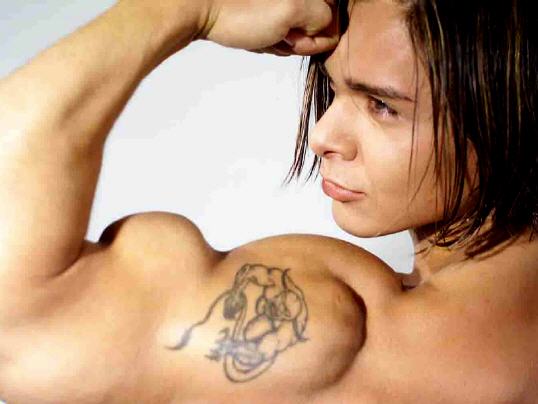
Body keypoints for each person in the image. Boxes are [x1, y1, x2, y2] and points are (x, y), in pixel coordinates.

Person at [0, 0, 535, 402]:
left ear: (511, 110)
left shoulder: (348, 335)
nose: (323, 135)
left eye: (382, 106)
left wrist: (185, 9)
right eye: (336, 90)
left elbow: (16, 322)